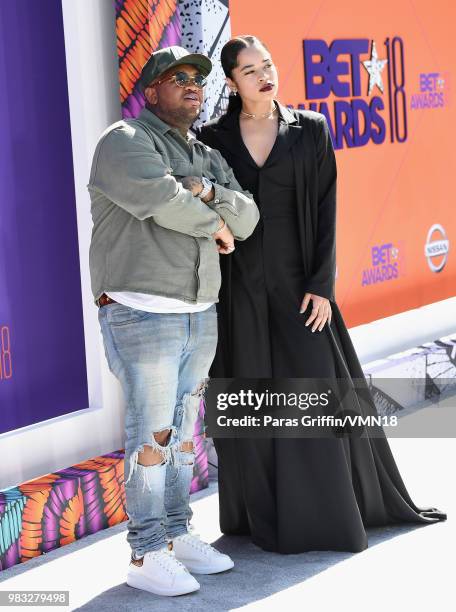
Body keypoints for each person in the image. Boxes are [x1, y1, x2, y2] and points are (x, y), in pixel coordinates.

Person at [196, 35, 447, 554]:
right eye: (250, 70)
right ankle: (255, 513)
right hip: (239, 288)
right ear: (231, 82)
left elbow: (327, 211)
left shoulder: (310, 129)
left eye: (268, 64)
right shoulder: (213, 139)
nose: (265, 75)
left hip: (297, 286)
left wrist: (321, 286)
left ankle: (327, 516)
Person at [87, 45, 259, 596]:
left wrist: (206, 191)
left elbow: (250, 216)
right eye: (177, 77)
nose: (191, 85)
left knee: (184, 434)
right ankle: (145, 551)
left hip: (197, 312)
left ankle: (178, 533)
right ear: (151, 90)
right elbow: (164, 202)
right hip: (143, 312)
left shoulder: (204, 155)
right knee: (153, 432)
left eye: (197, 78)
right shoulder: (125, 141)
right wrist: (215, 225)